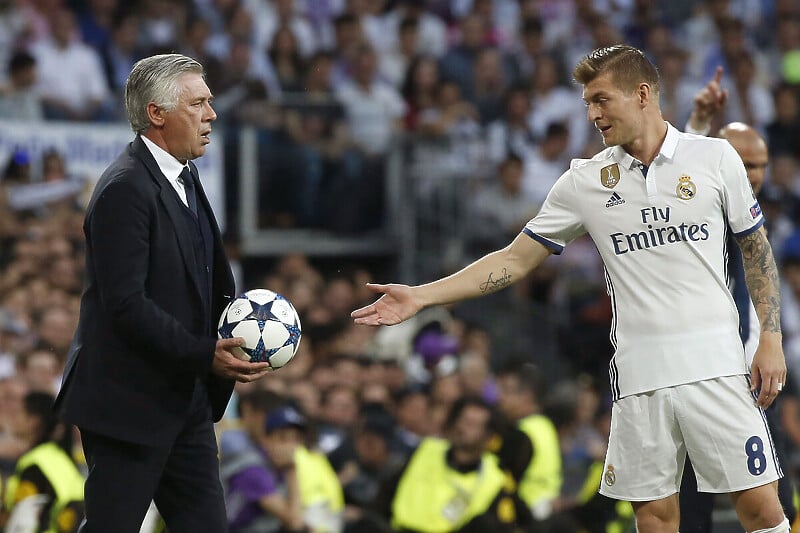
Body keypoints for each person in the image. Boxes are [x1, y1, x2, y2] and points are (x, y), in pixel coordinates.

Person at [352, 45, 790, 532]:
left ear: (642, 94)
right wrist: (422, 295)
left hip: (716, 366)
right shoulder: (585, 182)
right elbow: (514, 261)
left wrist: (770, 338)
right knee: (656, 519)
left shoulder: (713, 157)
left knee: (761, 509)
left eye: (601, 99)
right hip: (640, 377)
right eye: (587, 102)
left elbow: (756, 252)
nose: (593, 113)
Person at [54, 53, 272, 533]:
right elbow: (126, 306)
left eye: (209, 102)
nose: (211, 114)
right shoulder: (124, 189)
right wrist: (205, 353)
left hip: (185, 398)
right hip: (128, 403)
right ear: (157, 114)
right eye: (198, 103)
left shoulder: (183, 174)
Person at [680, 67, 798, 530]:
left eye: (759, 165)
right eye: (741, 163)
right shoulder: (704, 210)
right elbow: (679, 183)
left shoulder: (760, 217)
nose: (751, 174)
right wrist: (695, 128)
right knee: (693, 512)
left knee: (779, 505)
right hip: (698, 376)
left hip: (755, 382)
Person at [4, 391, 84, 533]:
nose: (14, 418)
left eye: (20, 412)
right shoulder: (58, 457)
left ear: (33, 421)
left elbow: (24, 523)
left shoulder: (35, 464)